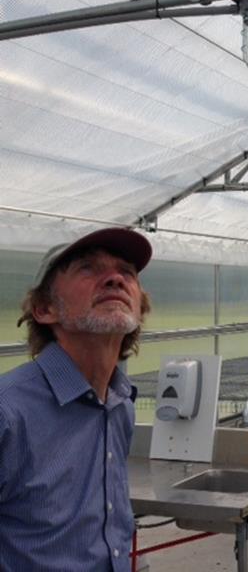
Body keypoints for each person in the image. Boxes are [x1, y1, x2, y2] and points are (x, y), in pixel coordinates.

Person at [0, 227, 152, 571]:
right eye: (88, 268)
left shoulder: (119, 403)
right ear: (44, 309)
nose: (114, 279)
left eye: (126, 272)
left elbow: (109, 525)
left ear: (140, 309)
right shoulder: (8, 412)